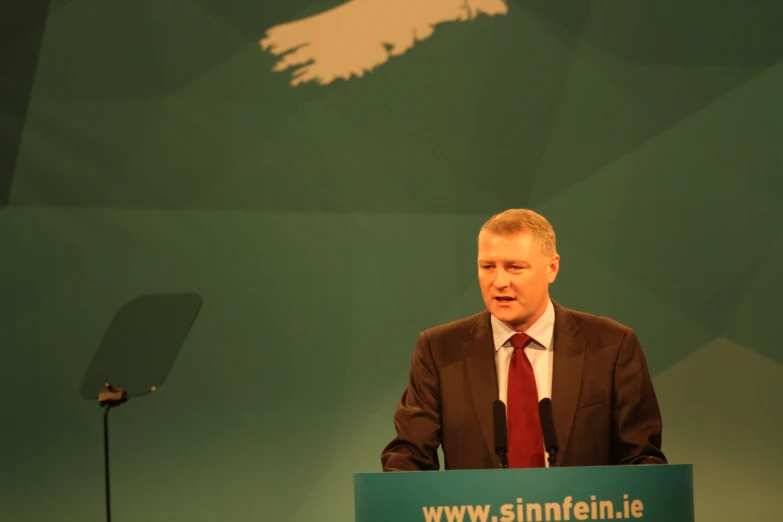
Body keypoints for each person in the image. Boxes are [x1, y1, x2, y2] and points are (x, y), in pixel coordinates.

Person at [381, 209, 667, 470]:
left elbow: (641, 458)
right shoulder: (440, 349)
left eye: (515, 267)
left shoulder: (612, 345)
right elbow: (410, 454)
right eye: (488, 267)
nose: (500, 282)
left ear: (551, 268)